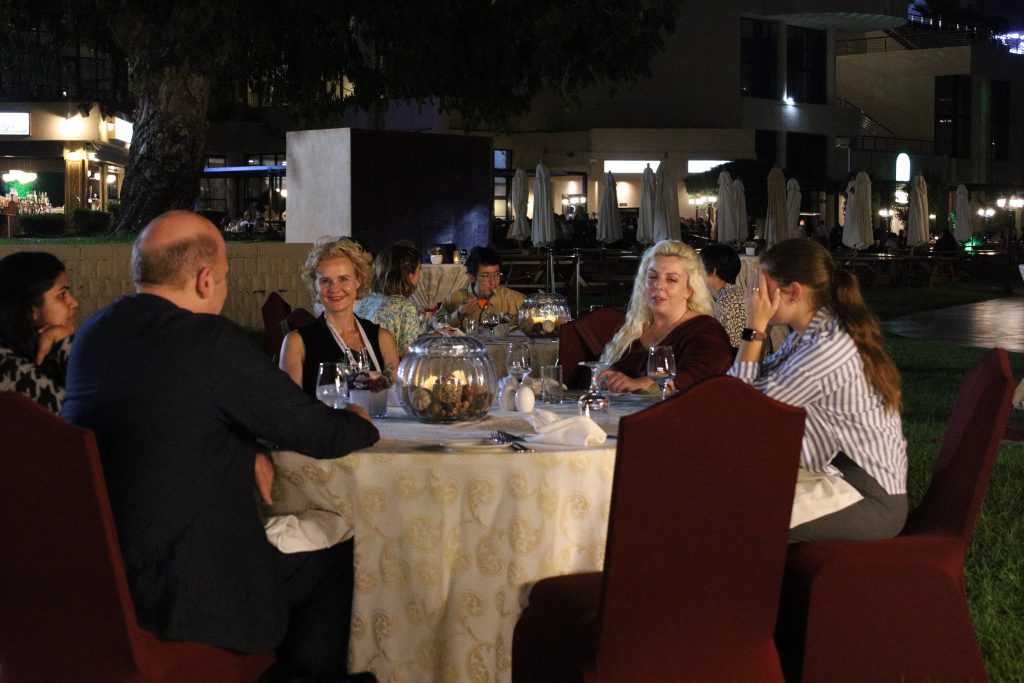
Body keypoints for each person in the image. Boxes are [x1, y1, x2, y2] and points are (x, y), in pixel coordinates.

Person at [62, 211, 380, 682]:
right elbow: (317, 432)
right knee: (332, 556)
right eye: (226, 278)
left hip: (105, 574)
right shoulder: (209, 342)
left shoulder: (96, 332)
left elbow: (169, 415)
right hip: (188, 592)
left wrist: (245, 443)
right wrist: (360, 418)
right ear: (206, 279)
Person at [729, 238, 907, 543]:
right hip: (833, 475)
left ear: (793, 292)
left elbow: (743, 410)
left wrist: (755, 327)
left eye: (761, 287)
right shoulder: (812, 333)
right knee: (721, 494)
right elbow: (744, 393)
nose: (753, 296)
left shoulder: (826, 347)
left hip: (866, 497)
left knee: (734, 517)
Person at [599, 240, 732, 393]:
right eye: (652, 277)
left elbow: (694, 377)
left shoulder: (706, 330)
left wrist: (637, 384)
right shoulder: (633, 329)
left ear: (689, 290)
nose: (659, 285)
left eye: (671, 279)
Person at [281, 238, 400, 393]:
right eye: (325, 281)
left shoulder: (383, 339)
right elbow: (289, 404)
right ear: (315, 286)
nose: (334, 289)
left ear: (358, 281)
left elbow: (396, 399)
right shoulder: (296, 343)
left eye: (343, 279)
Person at [0, 251, 78, 413]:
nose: (74, 303)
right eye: (62, 295)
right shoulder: (7, 366)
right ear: (31, 309)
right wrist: (67, 342)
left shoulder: (34, 351)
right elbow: (86, 411)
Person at [354, 243, 426, 356]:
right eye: (419, 269)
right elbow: (409, 357)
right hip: (389, 366)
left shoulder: (365, 299)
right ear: (410, 275)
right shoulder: (405, 306)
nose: (420, 276)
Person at [441, 246, 525, 331]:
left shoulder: (516, 300)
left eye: (497, 274)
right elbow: (435, 328)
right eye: (486, 276)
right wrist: (458, 315)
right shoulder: (452, 300)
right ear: (471, 277)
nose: (493, 282)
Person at [699, 244, 745, 352]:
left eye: (699, 267)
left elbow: (733, 350)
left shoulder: (729, 301)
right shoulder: (733, 293)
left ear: (713, 271)